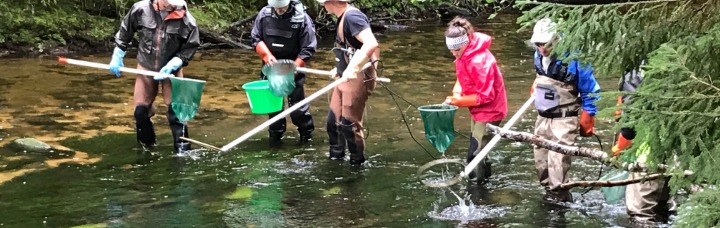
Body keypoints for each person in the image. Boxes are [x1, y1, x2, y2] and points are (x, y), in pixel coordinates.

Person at [108, 0, 201, 153]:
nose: (174, 6)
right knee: (140, 112)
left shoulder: (187, 21)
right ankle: (147, 148)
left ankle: (183, 151)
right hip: (146, 66)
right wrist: (118, 54)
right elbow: (126, 31)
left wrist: (175, 63)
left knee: (177, 113)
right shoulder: (141, 9)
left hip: (171, 69)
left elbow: (190, 47)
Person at [528, 18, 600, 202]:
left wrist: (588, 116)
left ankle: (561, 203)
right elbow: (540, 77)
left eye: (547, 44)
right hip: (543, 117)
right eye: (538, 44)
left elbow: (590, 90)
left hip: (564, 118)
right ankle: (549, 198)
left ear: (556, 39)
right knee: (541, 164)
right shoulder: (538, 55)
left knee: (557, 167)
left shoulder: (575, 58)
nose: (542, 49)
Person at [442, 17, 507, 184]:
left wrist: (458, 101)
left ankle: (477, 189)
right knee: (479, 146)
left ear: (466, 41)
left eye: (457, 49)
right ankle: (486, 180)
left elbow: (486, 96)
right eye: (451, 50)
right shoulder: (465, 52)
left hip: (491, 110)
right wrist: (457, 92)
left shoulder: (479, 61)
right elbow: (462, 77)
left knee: (474, 153)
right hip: (477, 109)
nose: (454, 53)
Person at [317, 0, 380, 165]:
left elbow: (371, 43)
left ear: (334, 2)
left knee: (348, 125)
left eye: (324, 3)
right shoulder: (342, 16)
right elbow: (349, 48)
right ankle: (335, 161)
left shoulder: (353, 17)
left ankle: (356, 164)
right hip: (344, 76)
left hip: (358, 76)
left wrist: (353, 68)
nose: (322, 6)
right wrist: (338, 68)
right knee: (333, 123)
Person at [612, 65, 676, 225]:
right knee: (663, 209)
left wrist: (619, 147)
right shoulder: (671, 64)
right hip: (673, 151)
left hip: (647, 156)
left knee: (640, 213)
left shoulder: (635, 72)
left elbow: (629, 127)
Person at [251, 0, 317, 146]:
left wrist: (294, 67)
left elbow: (308, 48)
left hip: (294, 65)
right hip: (270, 65)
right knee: (273, 106)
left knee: (297, 106)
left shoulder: (303, 19)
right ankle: (275, 137)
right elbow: (256, 38)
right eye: (276, 8)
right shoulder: (264, 14)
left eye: (282, 8)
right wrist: (267, 56)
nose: (279, 11)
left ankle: (306, 136)